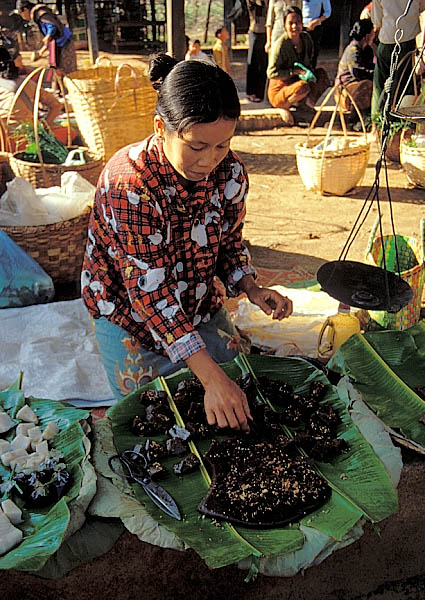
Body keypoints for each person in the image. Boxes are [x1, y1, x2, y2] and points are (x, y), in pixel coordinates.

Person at [81, 55, 293, 432]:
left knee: (244, 389)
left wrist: (251, 287)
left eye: (222, 145)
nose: (208, 161)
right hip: (131, 315)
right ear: (161, 127)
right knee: (151, 420)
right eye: (196, 146)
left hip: (196, 301)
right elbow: (151, 296)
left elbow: (228, 240)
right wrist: (211, 379)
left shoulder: (230, 173)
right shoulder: (129, 184)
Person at [267, 5, 330, 124]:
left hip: (299, 81)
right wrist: (293, 72)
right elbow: (271, 73)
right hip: (281, 88)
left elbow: (310, 63)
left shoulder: (306, 39)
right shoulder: (280, 45)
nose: (294, 26)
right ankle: (283, 106)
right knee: (303, 87)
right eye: (290, 23)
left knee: (322, 76)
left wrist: (308, 74)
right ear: (285, 25)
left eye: (298, 22)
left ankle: (306, 106)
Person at [0, 46, 66, 151]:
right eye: (20, 61)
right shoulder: (24, 82)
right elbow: (56, 104)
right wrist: (46, 125)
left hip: (3, 145)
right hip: (26, 142)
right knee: (71, 133)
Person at [371, 0, 425, 117]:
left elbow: (376, 20)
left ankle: (378, 121)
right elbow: (421, 7)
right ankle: (402, 123)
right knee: (405, 83)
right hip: (408, 38)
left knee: (381, 85)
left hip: (388, 39)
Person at [16, 1, 76, 82]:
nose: (22, 17)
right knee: (55, 68)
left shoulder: (41, 14)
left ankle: (70, 89)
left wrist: (48, 36)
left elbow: (52, 27)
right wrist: (43, 49)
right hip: (57, 44)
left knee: (66, 70)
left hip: (65, 42)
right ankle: (58, 91)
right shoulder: (38, 16)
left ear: (26, 10)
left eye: (21, 14)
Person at [336, 19, 375, 122]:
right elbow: (357, 73)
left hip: (357, 86)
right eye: (373, 32)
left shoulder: (367, 50)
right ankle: (354, 118)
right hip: (346, 90)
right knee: (367, 85)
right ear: (367, 36)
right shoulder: (353, 50)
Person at [246, 0, 268, 102]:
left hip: (266, 33)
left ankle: (261, 92)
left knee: (264, 64)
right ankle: (250, 92)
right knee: (253, 63)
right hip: (255, 31)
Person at [302, 0, 332, 69]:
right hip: (301, 26)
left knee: (313, 52)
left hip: (315, 27)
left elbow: (328, 12)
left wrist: (316, 21)